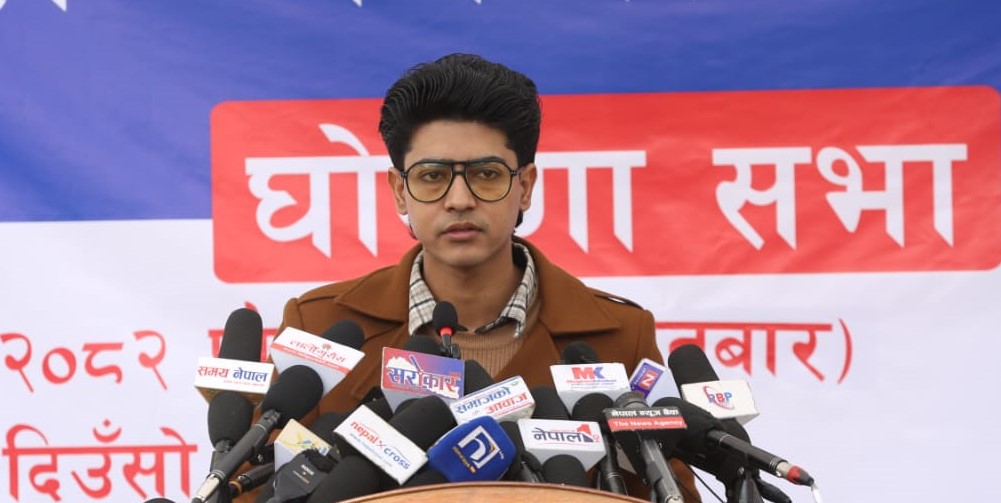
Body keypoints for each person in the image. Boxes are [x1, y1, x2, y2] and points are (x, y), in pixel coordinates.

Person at [252, 53, 700, 501]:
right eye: (432, 176)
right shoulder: (320, 325)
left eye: (486, 175)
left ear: (525, 186)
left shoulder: (620, 336)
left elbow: (667, 491)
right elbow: (253, 487)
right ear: (400, 191)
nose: (460, 200)